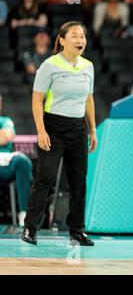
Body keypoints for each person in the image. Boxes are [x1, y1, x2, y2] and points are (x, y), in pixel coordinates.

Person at [20, 21, 98, 246]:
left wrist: (92, 130)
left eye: (82, 36)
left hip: (78, 128)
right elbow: (37, 99)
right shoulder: (49, 65)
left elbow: (89, 99)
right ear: (62, 40)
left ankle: (77, 230)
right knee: (45, 179)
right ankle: (30, 228)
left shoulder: (88, 66)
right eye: (74, 36)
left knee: (78, 182)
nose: (80, 40)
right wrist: (41, 131)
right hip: (53, 127)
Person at [0, 95, 33, 227]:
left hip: (4, 163)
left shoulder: (5, 120)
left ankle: (24, 214)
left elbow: (5, 138)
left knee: (22, 161)